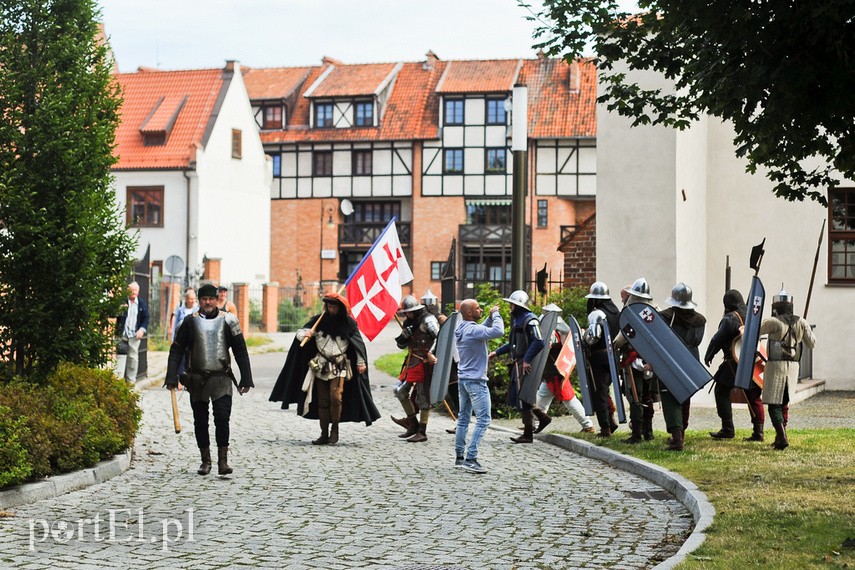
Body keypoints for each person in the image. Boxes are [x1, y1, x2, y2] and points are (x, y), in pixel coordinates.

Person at [164, 284, 253, 476]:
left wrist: (246, 377)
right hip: (197, 379)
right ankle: (205, 461)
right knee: (200, 421)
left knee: (222, 418)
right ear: (199, 300)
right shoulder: (188, 323)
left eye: (211, 299)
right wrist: (172, 376)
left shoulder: (229, 320)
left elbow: (240, 350)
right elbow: (177, 350)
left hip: (221, 378)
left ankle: (223, 461)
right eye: (204, 299)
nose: (208, 302)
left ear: (216, 300)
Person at [269, 292, 380, 445]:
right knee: (322, 400)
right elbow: (300, 333)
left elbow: (358, 344)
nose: (332, 309)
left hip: (339, 364)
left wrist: (361, 362)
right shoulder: (318, 320)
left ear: (340, 308)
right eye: (329, 306)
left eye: (334, 306)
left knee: (336, 397)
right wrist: (305, 334)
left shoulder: (349, 324)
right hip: (321, 365)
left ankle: (335, 429)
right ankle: (323, 433)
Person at [704, 289, 765, 441]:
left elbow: (718, 339)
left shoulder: (731, 318)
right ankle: (758, 432)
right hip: (752, 361)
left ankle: (727, 429)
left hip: (734, 362)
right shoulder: (751, 315)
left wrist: (710, 353)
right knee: (753, 395)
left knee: (721, 391)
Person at [759, 287, 816, 450]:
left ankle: (782, 436)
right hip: (792, 367)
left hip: (776, 366)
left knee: (774, 404)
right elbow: (812, 343)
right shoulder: (801, 322)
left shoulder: (773, 322)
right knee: (783, 402)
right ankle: (780, 436)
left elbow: (755, 331)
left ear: (775, 307)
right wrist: (803, 328)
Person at [491, 290, 550, 444]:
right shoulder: (518, 320)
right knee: (520, 397)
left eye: (512, 304)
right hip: (519, 362)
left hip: (525, 363)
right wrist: (497, 352)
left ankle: (528, 433)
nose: (510, 307)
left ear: (519, 306)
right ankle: (542, 418)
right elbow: (513, 344)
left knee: (523, 398)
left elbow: (538, 341)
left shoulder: (530, 320)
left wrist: (527, 360)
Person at [454, 299, 504, 473]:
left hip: (463, 379)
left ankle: (459, 457)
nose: (481, 309)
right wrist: (496, 314)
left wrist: (488, 318)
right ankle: (471, 458)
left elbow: (481, 328)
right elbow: (498, 331)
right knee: (483, 420)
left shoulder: (462, 328)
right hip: (476, 381)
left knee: (463, 418)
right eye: (477, 308)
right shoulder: (473, 330)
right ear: (469, 313)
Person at [658, 282, 706, 451]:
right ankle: (680, 435)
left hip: (672, 360)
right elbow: (697, 341)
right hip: (691, 360)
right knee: (685, 397)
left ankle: (677, 438)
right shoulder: (700, 320)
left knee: (671, 397)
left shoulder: (664, 317)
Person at [390, 295, 440, 442]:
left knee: (423, 397)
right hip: (412, 361)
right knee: (399, 391)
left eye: (410, 312)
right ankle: (413, 425)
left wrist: (430, 353)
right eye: (406, 312)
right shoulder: (407, 323)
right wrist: (405, 336)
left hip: (425, 361)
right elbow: (401, 345)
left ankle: (422, 432)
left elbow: (439, 337)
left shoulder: (428, 319)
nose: (408, 314)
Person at [615, 278, 658, 443]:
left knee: (636, 396)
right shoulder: (656, 311)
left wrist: (614, 344)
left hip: (634, 360)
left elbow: (621, 339)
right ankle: (649, 432)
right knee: (647, 396)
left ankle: (637, 434)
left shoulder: (631, 314)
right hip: (651, 361)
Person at [535, 315, 595, 433]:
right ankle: (535, 424)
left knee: (569, 399)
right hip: (551, 374)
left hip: (557, 374)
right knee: (541, 397)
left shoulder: (555, 335)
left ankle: (587, 425)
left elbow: (547, 343)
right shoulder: (559, 334)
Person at [581, 281, 621, 438]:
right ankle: (610, 422)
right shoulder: (615, 312)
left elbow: (592, 338)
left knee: (599, 393)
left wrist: (582, 338)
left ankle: (605, 428)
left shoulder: (597, 314)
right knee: (605, 391)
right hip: (613, 357)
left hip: (599, 357)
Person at [116, 281, 149, 383]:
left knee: (133, 359)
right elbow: (115, 315)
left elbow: (146, 318)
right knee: (120, 357)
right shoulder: (122, 302)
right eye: (132, 290)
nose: (134, 292)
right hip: (122, 334)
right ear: (128, 291)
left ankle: (131, 382)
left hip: (135, 335)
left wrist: (142, 330)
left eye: (136, 290)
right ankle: (118, 381)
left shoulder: (141, 303)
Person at [170, 288, 198, 376]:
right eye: (190, 299)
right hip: (181, 337)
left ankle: (189, 376)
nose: (192, 301)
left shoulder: (197, 309)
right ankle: (180, 377)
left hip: (192, 337)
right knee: (181, 358)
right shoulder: (180, 309)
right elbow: (176, 325)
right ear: (186, 299)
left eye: (194, 299)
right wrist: (172, 337)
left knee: (190, 358)